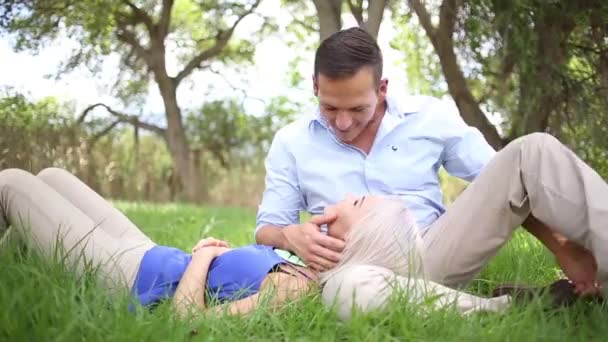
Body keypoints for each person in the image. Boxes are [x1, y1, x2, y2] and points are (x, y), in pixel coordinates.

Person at [254, 26, 606, 305]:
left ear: (382, 89)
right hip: (350, 270)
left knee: (533, 152)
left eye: (357, 109)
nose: (343, 123)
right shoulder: (291, 141)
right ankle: (503, 304)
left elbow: (506, 183)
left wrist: (563, 247)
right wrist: (291, 236)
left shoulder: (428, 118)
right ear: (315, 86)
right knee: (345, 290)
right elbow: (267, 227)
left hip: (432, 254)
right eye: (330, 108)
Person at [0, 167, 518, 319]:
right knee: (51, 174)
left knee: (13, 184)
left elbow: (188, 322)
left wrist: (203, 259)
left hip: (128, 276)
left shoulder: (297, 291)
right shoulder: (296, 262)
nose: (347, 197)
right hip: (151, 254)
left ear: (350, 244)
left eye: (357, 206)